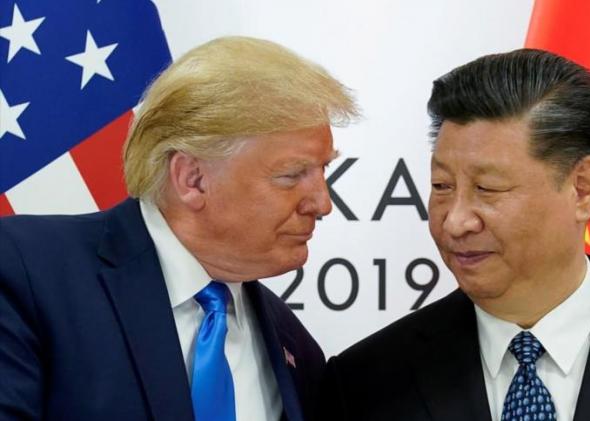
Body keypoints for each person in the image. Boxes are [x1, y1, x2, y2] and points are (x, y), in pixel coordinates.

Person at [319, 49, 590, 421]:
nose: (455, 221)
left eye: (487, 189)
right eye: (441, 187)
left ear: (582, 189)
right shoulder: (365, 383)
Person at [0, 36, 357, 421]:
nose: (322, 204)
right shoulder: (25, 274)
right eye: (291, 176)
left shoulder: (296, 347)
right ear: (193, 179)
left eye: (324, 171)